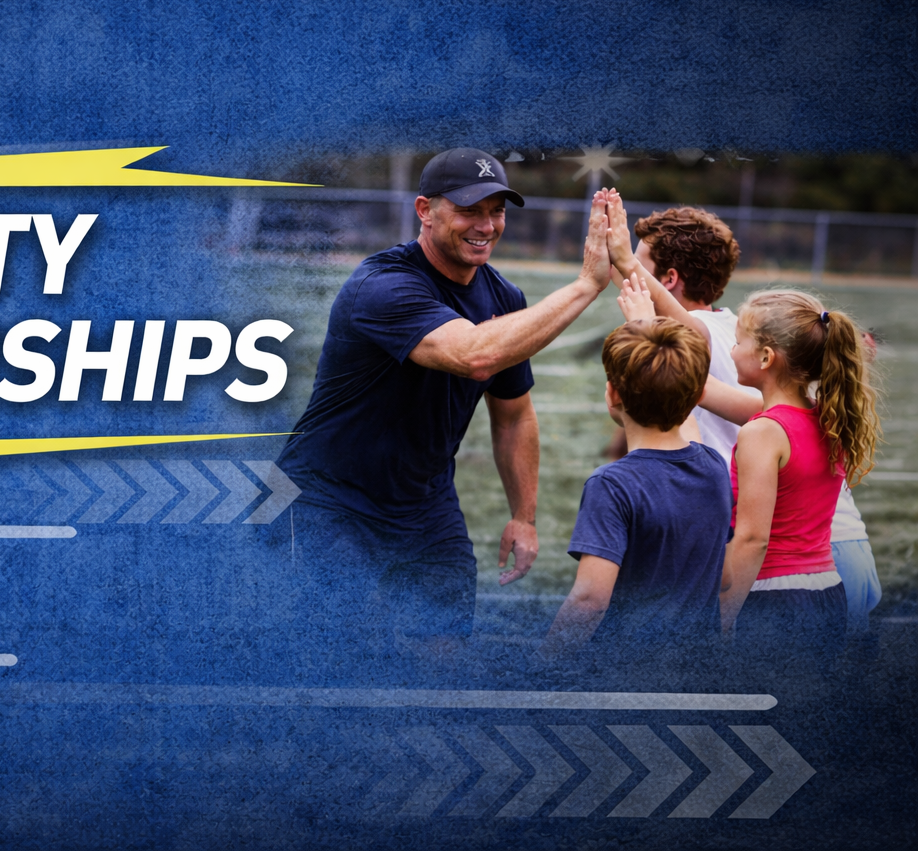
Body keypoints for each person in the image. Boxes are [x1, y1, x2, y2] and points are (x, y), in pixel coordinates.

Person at [275, 148, 618, 642]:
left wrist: (524, 516)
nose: (486, 225)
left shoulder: (504, 300)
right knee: (335, 656)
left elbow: (514, 416)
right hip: (329, 502)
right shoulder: (383, 285)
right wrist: (587, 284)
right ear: (424, 210)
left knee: (444, 648)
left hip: (425, 505)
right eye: (468, 209)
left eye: (496, 210)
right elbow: (473, 354)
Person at [603, 196, 883, 644]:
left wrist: (625, 275)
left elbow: (682, 353)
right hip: (838, 559)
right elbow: (700, 390)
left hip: (783, 577)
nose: (626, 279)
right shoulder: (795, 402)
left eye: (636, 268)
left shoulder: (716, 342)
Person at [540, 315, 730, 658]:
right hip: (698, 670)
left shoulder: (612, 485)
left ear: (613, 393)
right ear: (698, 396)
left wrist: (543, 664)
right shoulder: (714, 466)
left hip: (626, 674)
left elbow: (589, 601)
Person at [717, 291, 880, 660]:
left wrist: (722, 619)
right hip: (827, 591)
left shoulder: (763, 432)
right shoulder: (830, 418)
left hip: (775, 601)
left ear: (765, 356)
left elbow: (753, 539)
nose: (731, 350)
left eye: (738, 341)